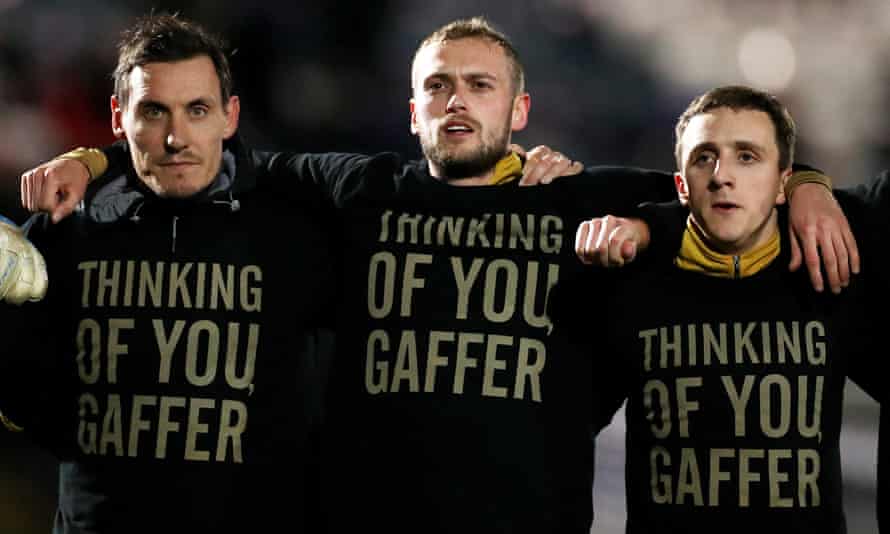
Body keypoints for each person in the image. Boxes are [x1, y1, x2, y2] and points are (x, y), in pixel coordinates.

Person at [13, 17, 859, 534]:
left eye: (480, 86)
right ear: (411, 107)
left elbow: (723, 188)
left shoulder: (574, 196)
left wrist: (813, 186)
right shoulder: (353, 189)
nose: (458, 100)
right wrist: (92, 157)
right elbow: (193, 155)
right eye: (438, 86)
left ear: (518, 111)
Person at [0, 14, 339, 533]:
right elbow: (20, 394)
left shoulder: (292, 231)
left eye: (197, 110)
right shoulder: (67, 227)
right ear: (119, 117)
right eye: (154, 112)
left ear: (230, 117)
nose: (176, 137)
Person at [552, 85, 882, 533]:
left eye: (747, 156)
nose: (722, 175)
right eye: (704, 157)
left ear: (784, 182)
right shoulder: (629, 286)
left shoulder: (827, 276)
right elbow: (550, 427)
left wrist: (815, 184)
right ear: (682, 187)